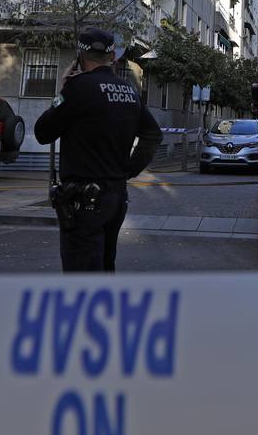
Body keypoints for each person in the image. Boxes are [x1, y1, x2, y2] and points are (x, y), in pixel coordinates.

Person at [34, 28, 163, 273]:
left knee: (81, 273)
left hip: (84, 201)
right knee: (105, 266)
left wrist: (63, 90)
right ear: (112, 57)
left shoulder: (78, 88)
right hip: (116, 197)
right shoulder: (129, 91)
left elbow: (43, 132)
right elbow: (153, 134)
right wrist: (127, 170)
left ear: (80, 58)